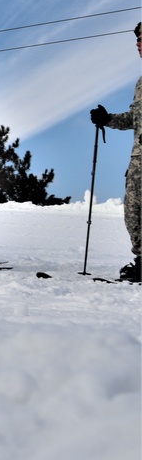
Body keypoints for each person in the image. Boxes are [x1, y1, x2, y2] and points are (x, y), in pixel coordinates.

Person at [89, 21, 141, 281]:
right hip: (138, 160)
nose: (138, 44)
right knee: (134, 212)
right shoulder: (141, 83)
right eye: (138, 39)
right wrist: (108, 119)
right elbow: (134, 118)